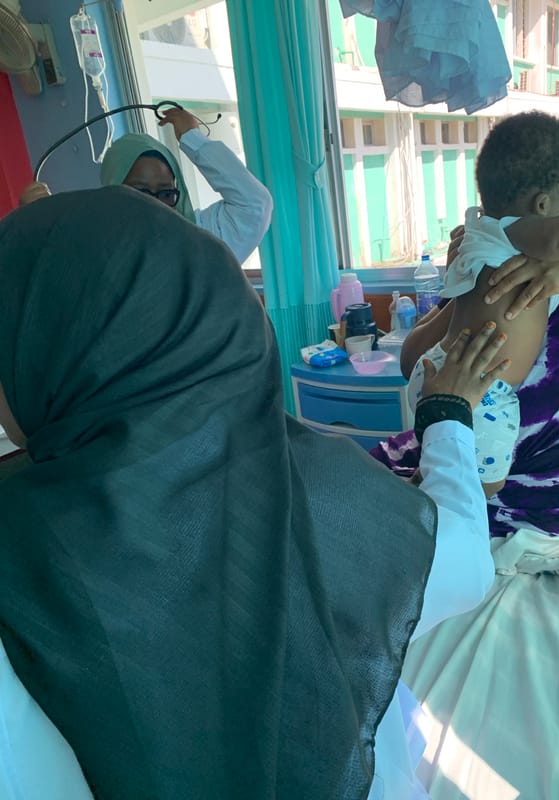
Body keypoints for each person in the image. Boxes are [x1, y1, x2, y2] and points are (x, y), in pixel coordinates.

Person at [0, 186, 507, 799]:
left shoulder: (23, 555)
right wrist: (447, 414)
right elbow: (463, 562)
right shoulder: (326, 489)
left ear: (42, 351)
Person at [371, 125, 559, 799]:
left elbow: (413, 360)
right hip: (491, 466)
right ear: (549, 202)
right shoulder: (518, 251)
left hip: (469, 441)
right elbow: (419, 358)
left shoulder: (498, 244)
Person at [407, 111, 559, 498]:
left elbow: (412, 360)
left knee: (457, 484)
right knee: (479, 490)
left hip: (447, 381)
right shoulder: (513, 237)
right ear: (546, 206)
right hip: (479, 390)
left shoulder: (486, 232)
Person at [18, 106, 273, 265]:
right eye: (139, 192)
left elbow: (255, 205)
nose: (155, 205)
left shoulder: (202, 242)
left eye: (166, 193)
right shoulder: (94, 251)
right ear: (112, 193)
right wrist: (40, 221)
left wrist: (193, 139)